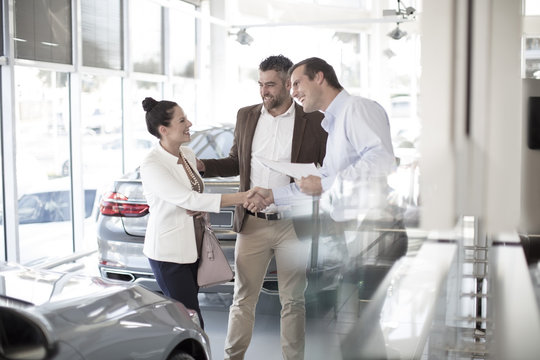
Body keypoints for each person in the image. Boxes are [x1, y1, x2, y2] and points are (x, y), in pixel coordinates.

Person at [196, 55, 327, 360]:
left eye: (270, 84)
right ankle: (233, 357)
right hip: (252, 224)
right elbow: (234, 161)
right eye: (260, 84)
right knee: (243, 298)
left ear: (286, 84)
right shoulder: (246, 116)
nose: (264, 91)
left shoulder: (314, 120)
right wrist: (204, 165)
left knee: (293, 301)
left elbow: (325, 169)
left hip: (294, 224)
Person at [139, 97, 265, 329]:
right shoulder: (152, 164)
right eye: (182, 120)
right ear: (163, 130)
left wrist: (200, 210)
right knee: (190, 320)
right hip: (169, 255)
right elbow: (189, 199)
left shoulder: (186, 154)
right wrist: (242, 196)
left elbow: (193, 193)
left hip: (191, 248)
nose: (190, 123)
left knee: (188, 317)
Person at [246, 56, 396, 210]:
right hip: (352, 225)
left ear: (318, 77)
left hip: (372, 224)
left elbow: (381, 161)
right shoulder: (334, 122)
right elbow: (322, 181)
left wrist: (323, 184)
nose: (293, 93)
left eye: (297, 84)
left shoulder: (356, 107)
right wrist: (272, 195)